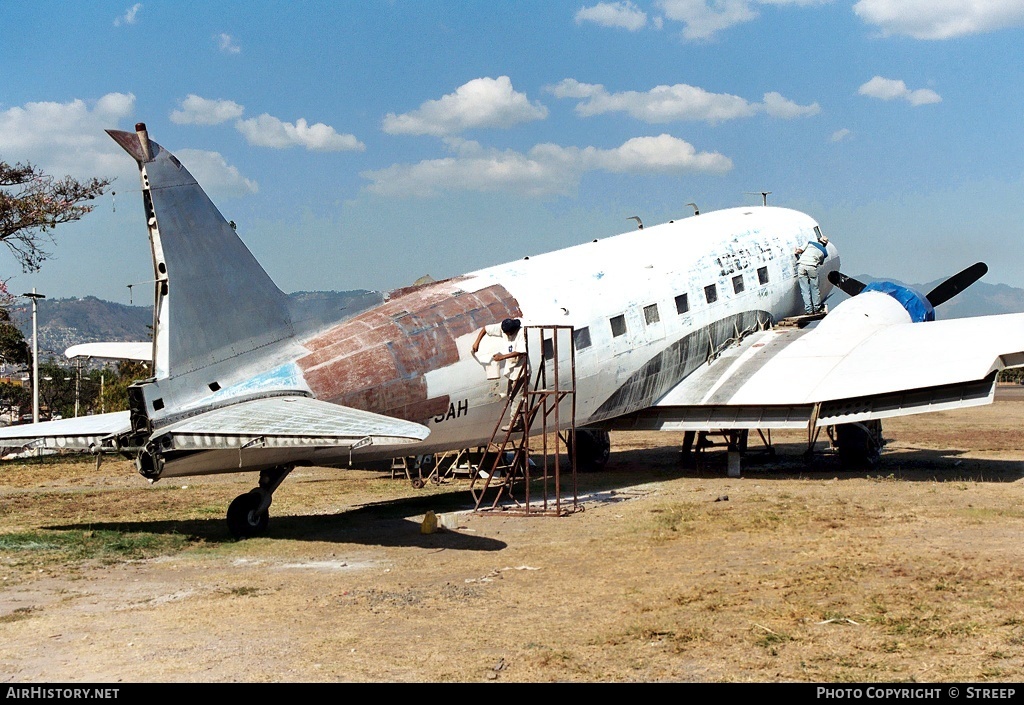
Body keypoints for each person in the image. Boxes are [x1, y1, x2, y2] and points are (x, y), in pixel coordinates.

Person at [472, 318, 527, 430]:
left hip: (521, 369)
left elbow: (521, 351)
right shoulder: (503, 328)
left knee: (517, 396)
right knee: (511, 395)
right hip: (512, 369)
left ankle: (515, 422)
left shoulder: (521, 333)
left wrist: (502, 357)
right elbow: (486, 329)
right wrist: (477, 342)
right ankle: (517, 419)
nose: (505, 334)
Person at [795, 234, 829, 315]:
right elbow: (820, 263)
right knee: (814, 288)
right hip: (812, 267)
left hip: (802, 266)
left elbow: (799, 251)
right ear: (825, 244)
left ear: (819, 240)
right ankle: (816, 308)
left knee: (805, 290)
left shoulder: (810, 243)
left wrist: (797, 251)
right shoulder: (824, 252)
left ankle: (809, 310)